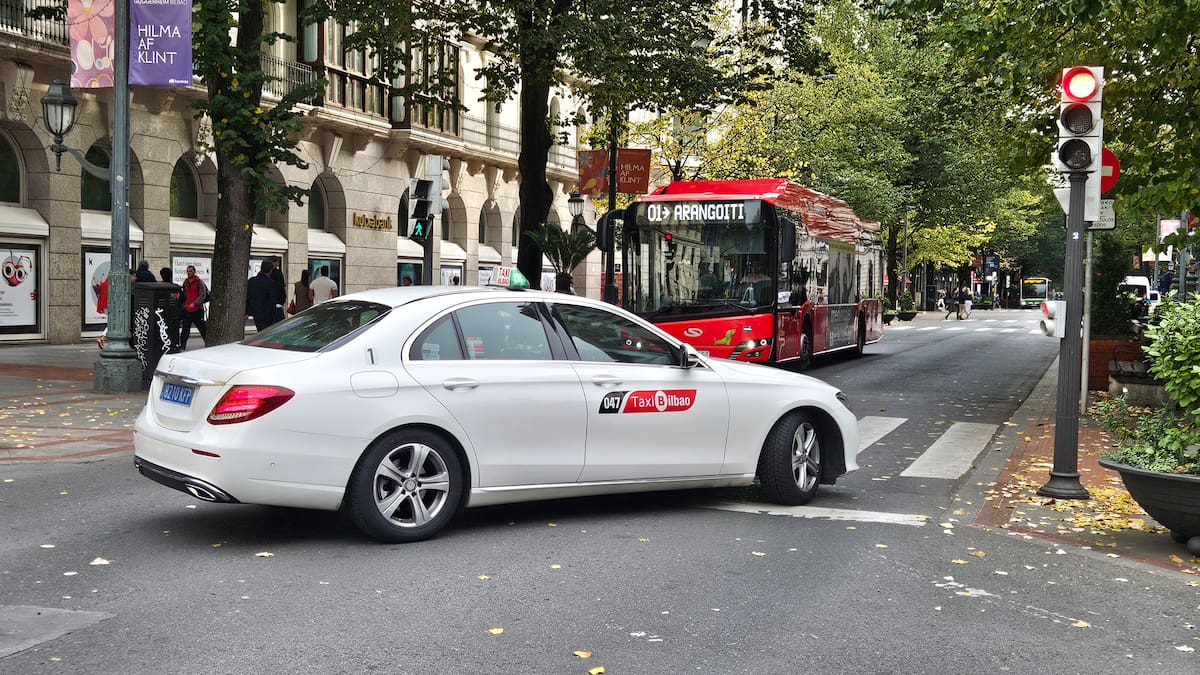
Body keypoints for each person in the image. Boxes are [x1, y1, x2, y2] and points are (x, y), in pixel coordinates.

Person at [180, 265, 209, 350]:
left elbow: (202, 295)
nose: (189, 273)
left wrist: (195, 303)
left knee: (202, 329)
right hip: (188, 310)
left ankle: (208, 344)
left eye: (191, 271)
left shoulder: (199, 282)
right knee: (185, 329)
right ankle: (182, 346)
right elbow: (184, 294)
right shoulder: (185, 282)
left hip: (197, 310)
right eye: (188, 271)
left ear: (194, 272)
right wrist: (184, 304)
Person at [246, 260, 280, 331]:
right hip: (267, 314)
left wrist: (246, 312)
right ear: (270, 270)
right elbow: (272, 301)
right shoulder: (270, 283)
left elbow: (247, 297)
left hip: (256, 312)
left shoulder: (252, 281)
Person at [159, 267, 184, 353]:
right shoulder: (176, 287)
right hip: (175, 313)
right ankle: (174, 345)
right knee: (174, 330)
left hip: (162, 313)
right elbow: (183, 298)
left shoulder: (159, 287)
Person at [268, 258, 287, 323]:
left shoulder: (266, 275)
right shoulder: (277, 272)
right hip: (277, 303)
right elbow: (280, 286)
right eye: (277, 263)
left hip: (269, 304)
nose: (278, 264)